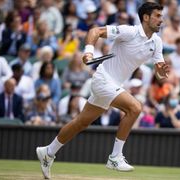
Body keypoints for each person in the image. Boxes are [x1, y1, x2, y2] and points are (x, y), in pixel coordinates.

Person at [36, 2, 169, 178]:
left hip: (113, 85)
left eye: (162, 15)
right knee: (135, 108)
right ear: (146, 17)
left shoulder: (157, 42)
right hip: (103, 79)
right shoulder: (129, 31)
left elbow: (159, 71)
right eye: (157, 16)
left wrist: (162, 72)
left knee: (81, 123)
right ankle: (115, 157)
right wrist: (89, 52)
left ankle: (48, 151)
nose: (161, 19)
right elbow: (95, 32)